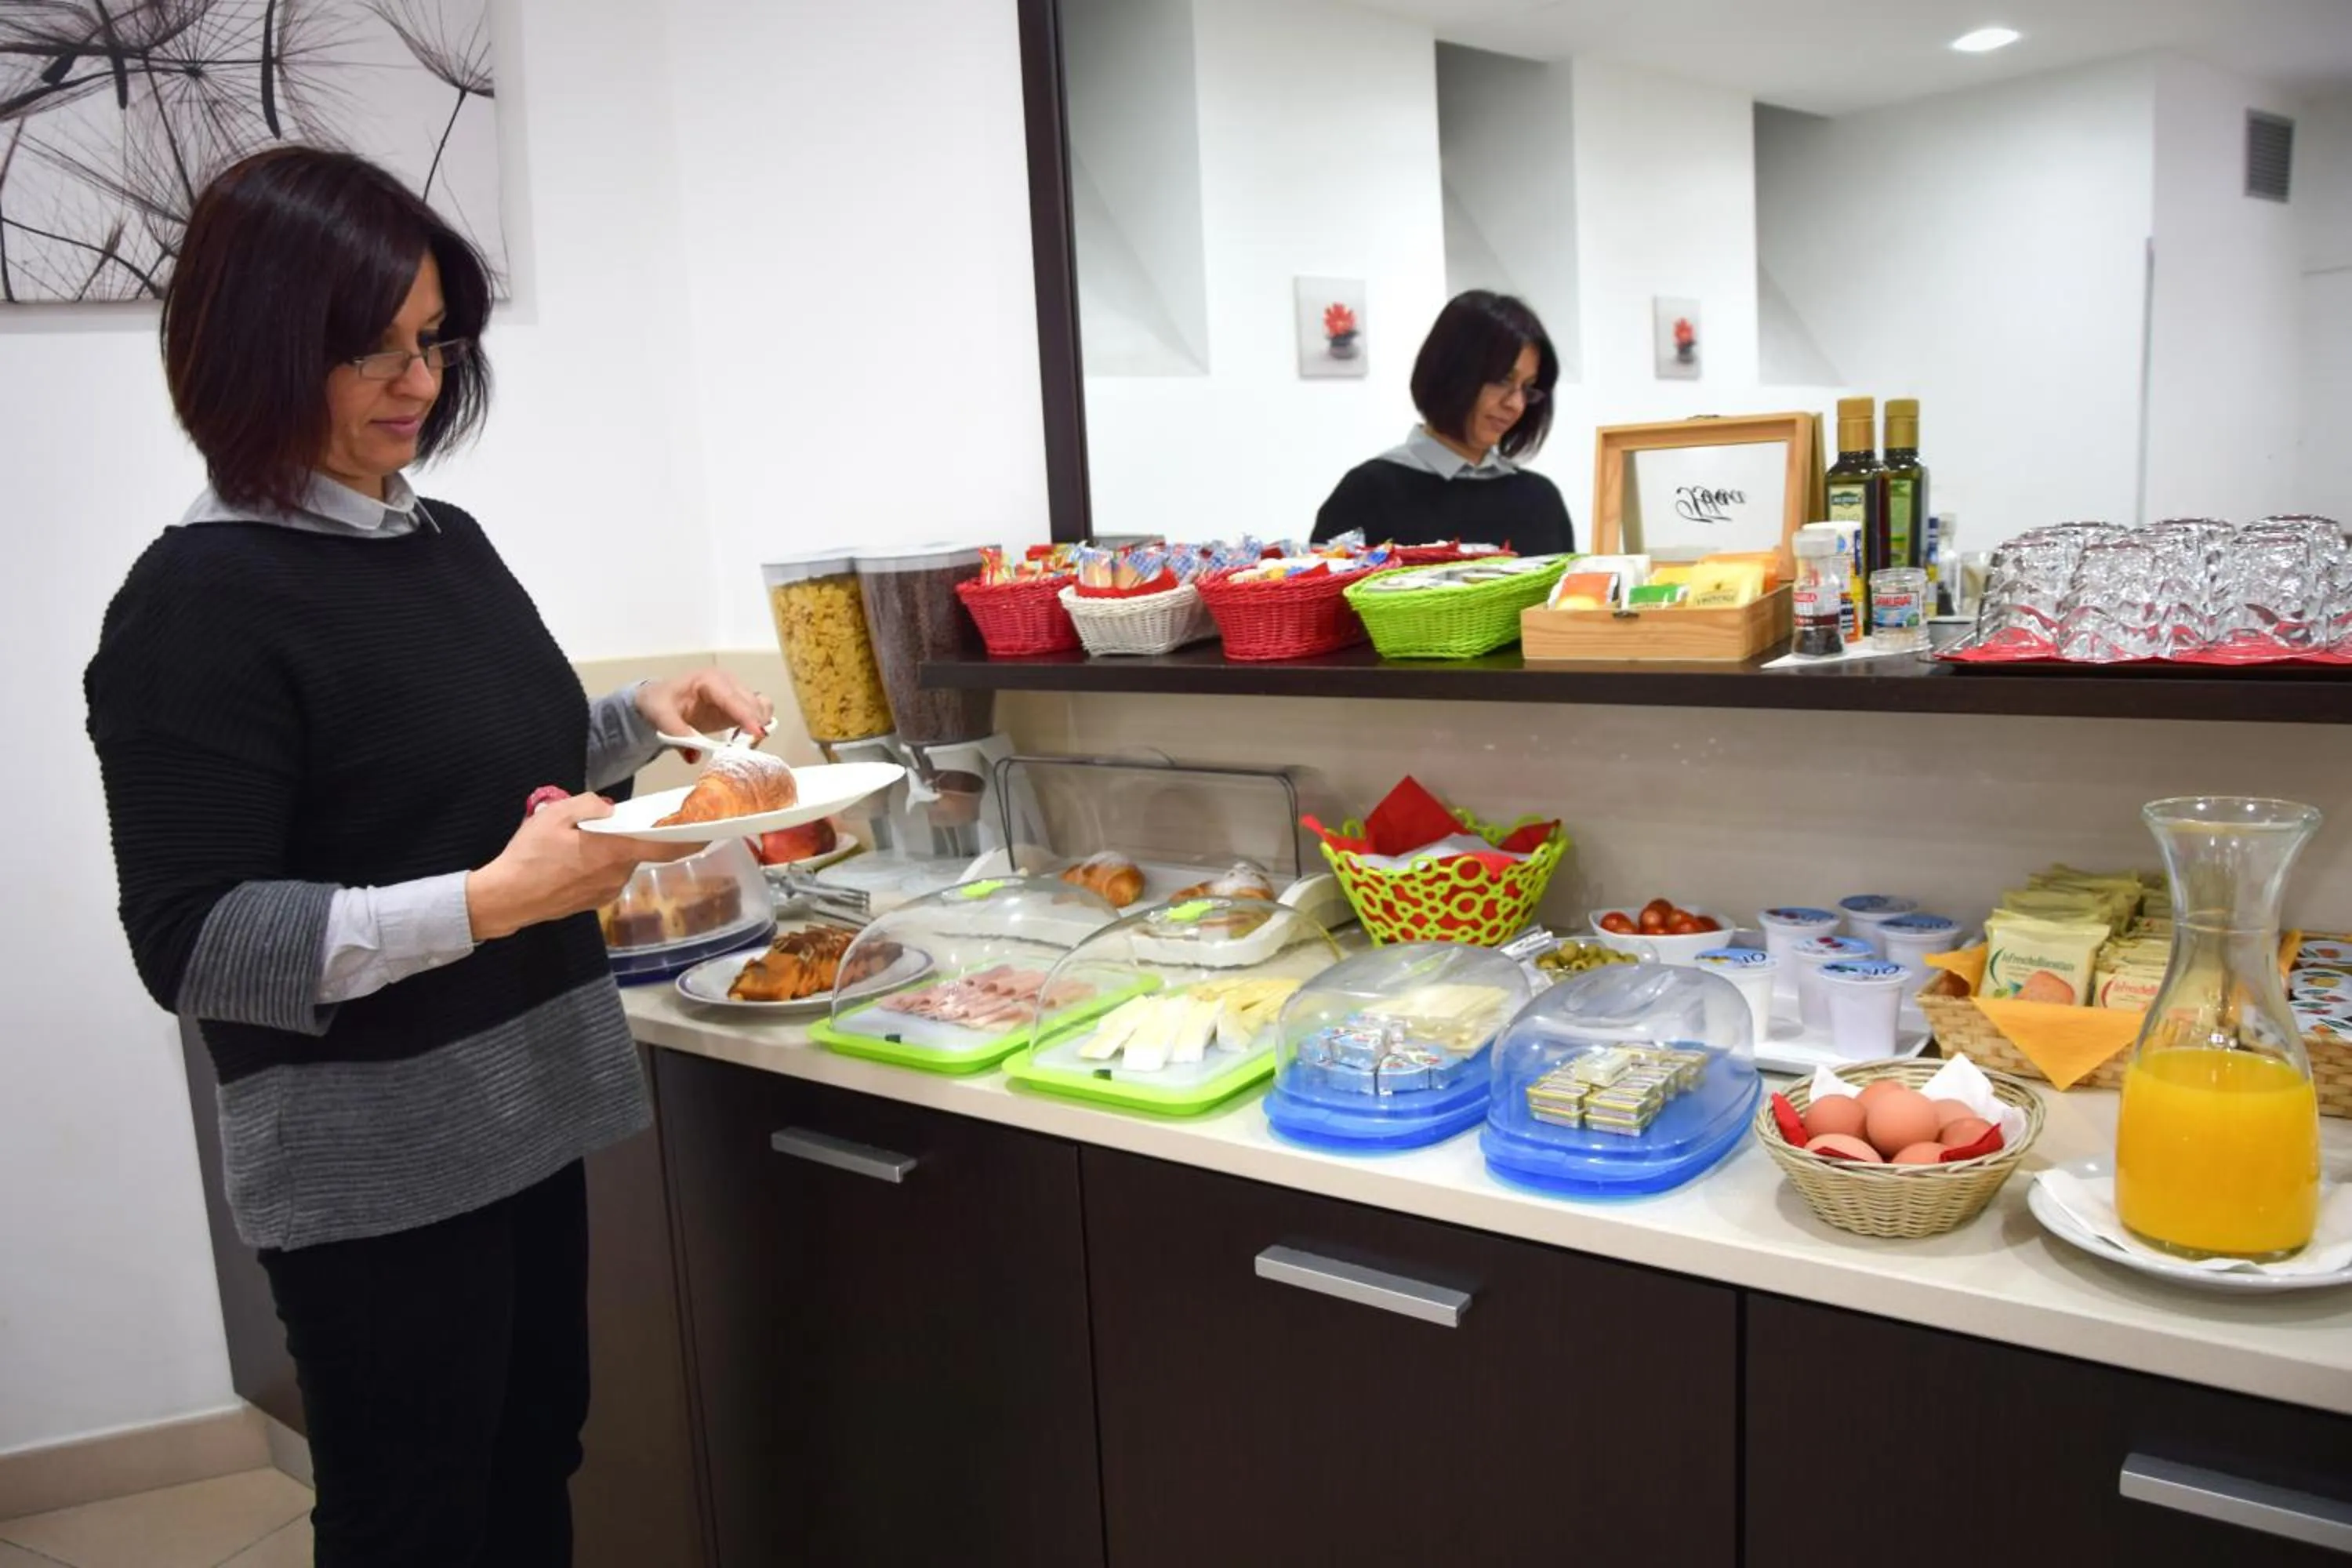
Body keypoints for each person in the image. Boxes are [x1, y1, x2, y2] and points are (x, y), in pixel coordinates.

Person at [84, 147, 770, 1566]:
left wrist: (636, 720)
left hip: (526, 1101)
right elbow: (194, 941)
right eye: (369, 346)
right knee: (415, 1523)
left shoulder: (438, 539)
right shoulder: (192, 607)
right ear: (254, 349)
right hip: (372, 1162)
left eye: (433, 340)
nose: (418, 380)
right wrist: (484, 905)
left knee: (531, 1462)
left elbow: (456, 771)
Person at [1312, 289, 1574, 554]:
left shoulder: (1541, 499)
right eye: (1502, 380)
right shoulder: (1367, 494)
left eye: (1527, 387)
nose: (1515, 404)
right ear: (1451, 373)